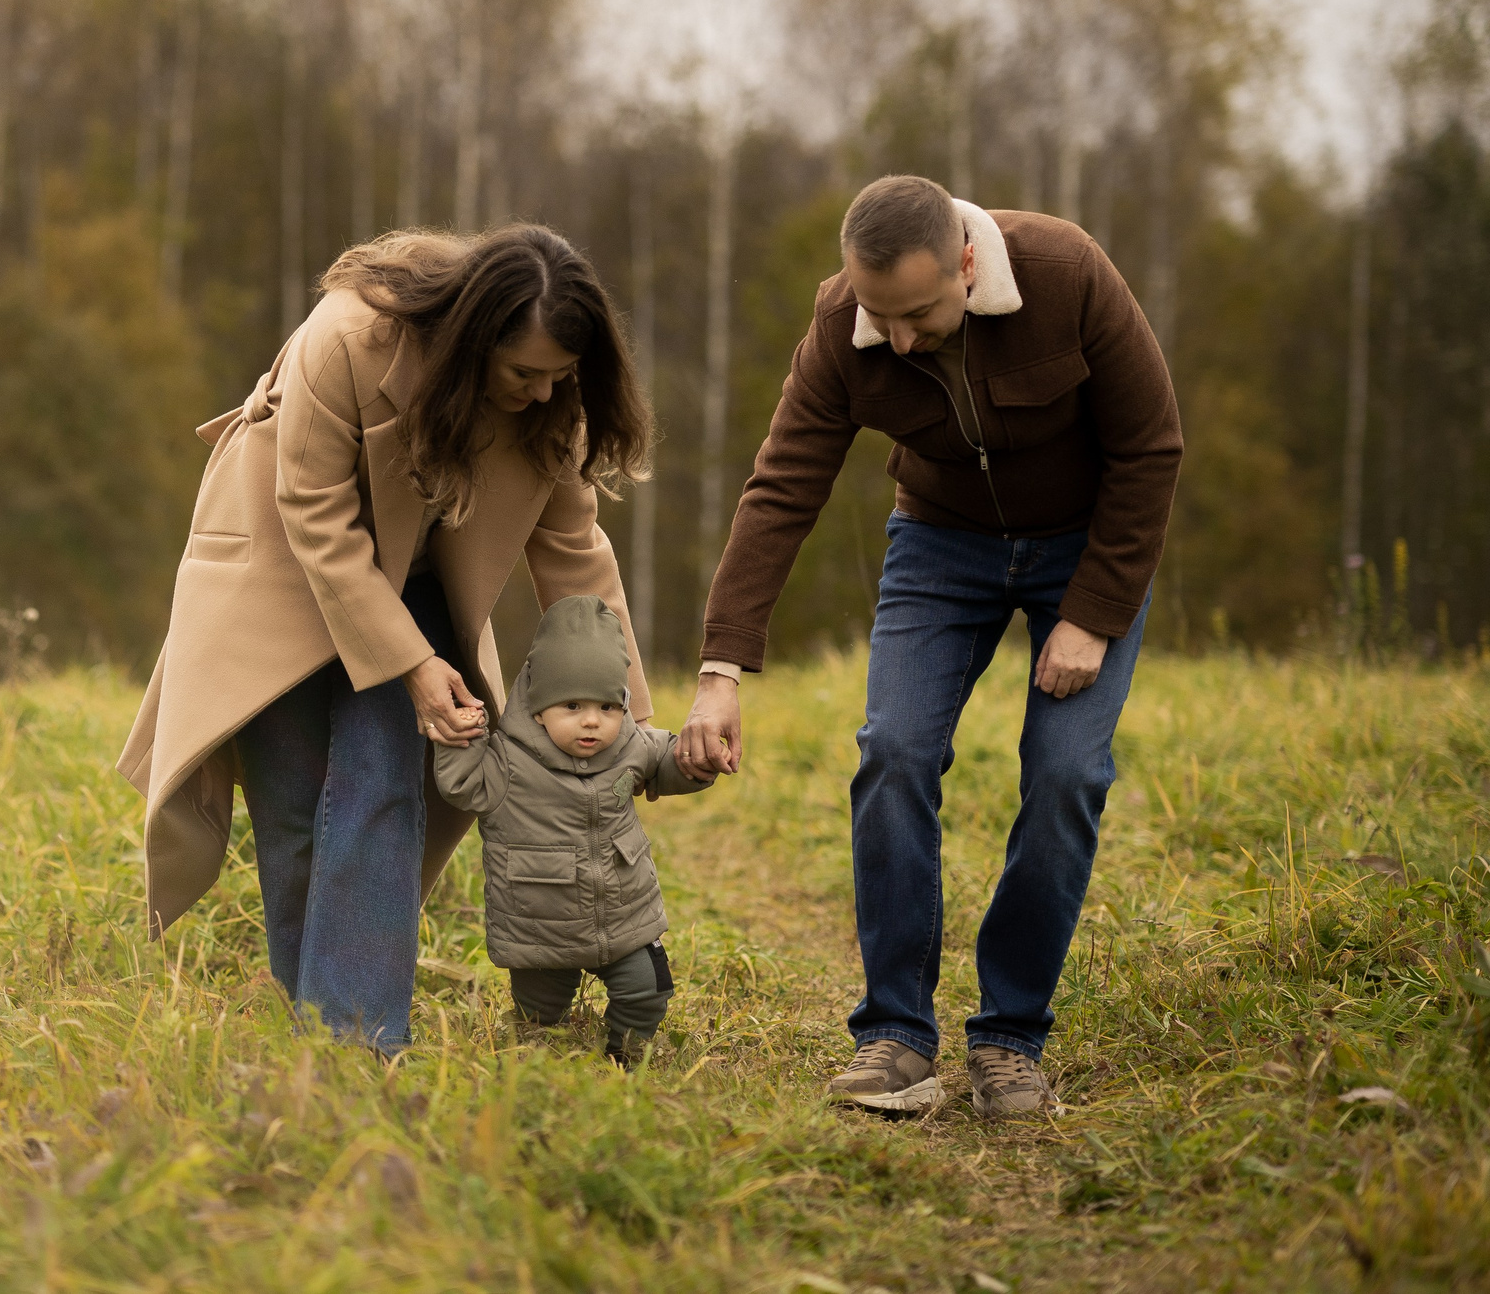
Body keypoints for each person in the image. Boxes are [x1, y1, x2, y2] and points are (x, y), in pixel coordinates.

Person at [676, 175, 1182, 1118]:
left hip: (1084, 549)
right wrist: (720, 667)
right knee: (894, 751)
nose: (897, 339)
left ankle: (1009, 1040)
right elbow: (781, 488)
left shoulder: (1067, 272)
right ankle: (896, 1037)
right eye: (878, 314)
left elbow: (1151, 447)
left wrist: (1095, 610)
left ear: (966, 261)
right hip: (942, 545)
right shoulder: (843, 325)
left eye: (917, 313)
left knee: (1068, 773)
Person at [117, 224, 649, 1054]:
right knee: (292, 802)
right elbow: (317, 521)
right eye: (524, 374)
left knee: (386, 782)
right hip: (285, 559)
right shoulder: (348, 339)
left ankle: (358, 1045)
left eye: (562, 375)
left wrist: (630, 720)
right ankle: (320, 1033)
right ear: (474, 340)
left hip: (419, 578)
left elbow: (577, 557)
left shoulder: (554, 408)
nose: (546, 394)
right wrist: (408, 664)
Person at [434, 594, 716, 1065]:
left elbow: (665, 761)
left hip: (625, 916)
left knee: (647, 990)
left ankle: (625, 1057)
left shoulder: (630, 744)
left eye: (608, 706)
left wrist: (696, 762)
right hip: (540, 926)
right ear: (537, 706)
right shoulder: (507, 761)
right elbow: (462, 785)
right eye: (572, 705)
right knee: (537, 1017)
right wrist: (462, 739)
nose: (592, 720)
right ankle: (539, 1068)